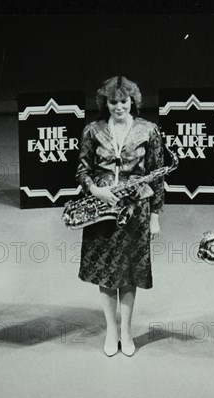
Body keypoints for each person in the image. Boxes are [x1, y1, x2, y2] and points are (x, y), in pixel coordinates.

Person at [76, 76, 165, 357]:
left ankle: (126, 330)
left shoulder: (149, 131)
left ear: (133, 101)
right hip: (102, 208)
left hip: (135, 208)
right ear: (105, 102)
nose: (118, 106)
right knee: (106, 270)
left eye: (123, 101)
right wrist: (94, 190)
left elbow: (158, 175)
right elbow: (82, 170)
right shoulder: (92, 130)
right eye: (113, 101)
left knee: (129, 271)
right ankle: (110, 330)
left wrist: (155, 216)